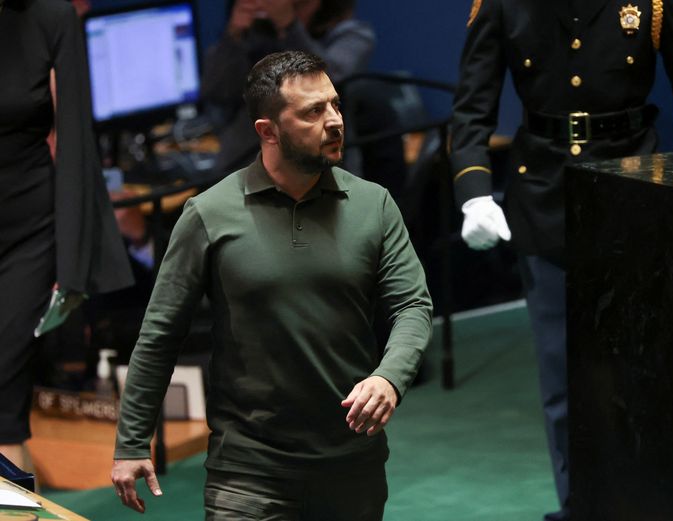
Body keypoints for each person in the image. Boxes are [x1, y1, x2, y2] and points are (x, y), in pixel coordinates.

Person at [111, 50, 432, 520]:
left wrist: (390, 376)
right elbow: (160, 334)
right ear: (267, 131)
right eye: (312, 112)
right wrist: (132, 441)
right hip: (248, 471)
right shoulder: (209, 214)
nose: (334, 121)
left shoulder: (374, 205)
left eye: (335, 105)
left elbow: (413, 305)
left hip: (351, 466)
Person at [449, 1, 673, 520]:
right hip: (544, 197)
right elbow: (471, 106)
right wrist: (474, 191)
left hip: (636, 193)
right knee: (562, 378)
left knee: (643, 370)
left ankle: (648, 500)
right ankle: (579, 507)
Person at [0, 0, 133, 470]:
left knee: (3, 396)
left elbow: (76, 140)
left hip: (29, 233)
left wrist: (73, 263)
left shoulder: (51, 17)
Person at [202, 0, 374, 174]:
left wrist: (289, 25)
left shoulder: (353, 35)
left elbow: (325, 79)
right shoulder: (257, 32)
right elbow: (216, 92)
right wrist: (234, 35)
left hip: (319, 168)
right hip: (245, 163)